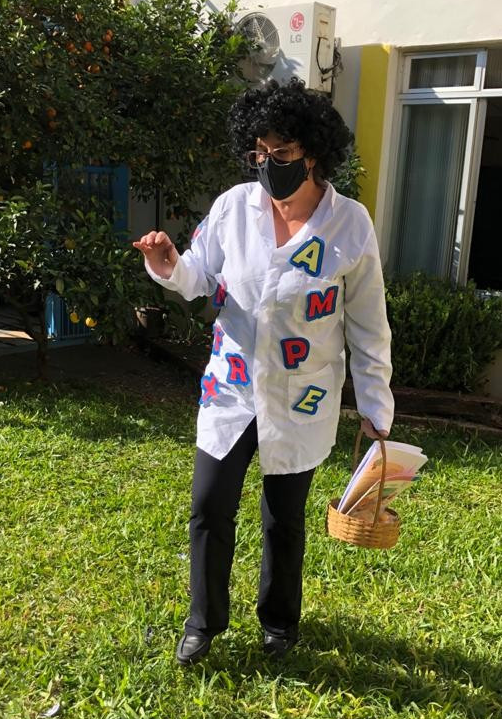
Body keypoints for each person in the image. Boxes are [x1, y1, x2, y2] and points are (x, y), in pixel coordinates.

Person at [133, 78, 394, 666]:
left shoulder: (349, 224)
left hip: (303, 396)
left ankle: (279, 624)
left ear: (313, 153)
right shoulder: (233, 207)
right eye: (259, 152)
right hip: (231, 389)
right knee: (209, 506)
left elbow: (367, 324)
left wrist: (376, 408)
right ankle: (203, 622)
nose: (269, 164)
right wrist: (168, 266)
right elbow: (201, 277)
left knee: (284, 518)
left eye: (282, 153)